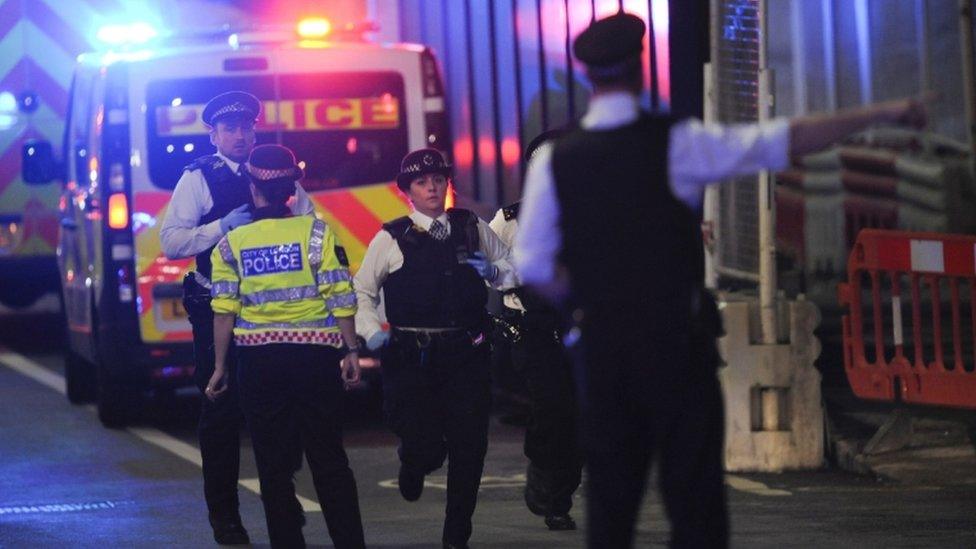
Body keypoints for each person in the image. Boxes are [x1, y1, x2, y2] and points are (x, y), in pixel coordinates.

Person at [514, 12, 928, 549]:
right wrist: (891, 109)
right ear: (641, 69)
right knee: (695, 507)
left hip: (604, 354)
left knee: (611, 508)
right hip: (676, 351)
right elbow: (784, 140)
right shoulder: (677, 143)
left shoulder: (554, 163)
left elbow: (534, 266)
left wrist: (585, 305)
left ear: (587, 76)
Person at [159, 91, 315, 545]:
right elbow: (172, 241)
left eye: (246, 127)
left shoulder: (275, 170)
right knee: (221, 415)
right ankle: (225, 518)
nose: (240, 135)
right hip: (216, 308)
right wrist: (221, 226)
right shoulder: (199, 178)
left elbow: (310, 223)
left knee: (282, 412)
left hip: (273, 309)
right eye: (229, 129)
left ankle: (282, 503)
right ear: (213, 134)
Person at [206, 144, 366, 549]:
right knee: (329, 458)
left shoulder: (232, 244)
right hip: (315, 360)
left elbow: (224, 311)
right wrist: (350, 351)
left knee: (274, 468)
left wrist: (220, 366)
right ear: (292, 189)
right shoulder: (316, 232)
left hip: (260, 364)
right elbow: (340, 295)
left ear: (252, 188)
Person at [354, 148, 516, 549]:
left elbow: (512, 266)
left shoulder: (470, 226)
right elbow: (362, 290)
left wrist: (496, 272)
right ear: (408, 191)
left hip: (466, 353)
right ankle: (415, 461)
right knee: (425, 443)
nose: (432, 188)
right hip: (412, 356)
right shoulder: (391, 237)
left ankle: (456, 534)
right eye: (422, 183)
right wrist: (372, 333)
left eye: (438, 181)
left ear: (447, 185)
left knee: (470, 445)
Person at [488, 129, 581, 532]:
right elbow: (490, 269)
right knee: (554, 410)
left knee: (581, 414)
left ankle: (559, 487)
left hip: (582, 329)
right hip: (533, 329)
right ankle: (550, 490)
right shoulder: (510, 219)